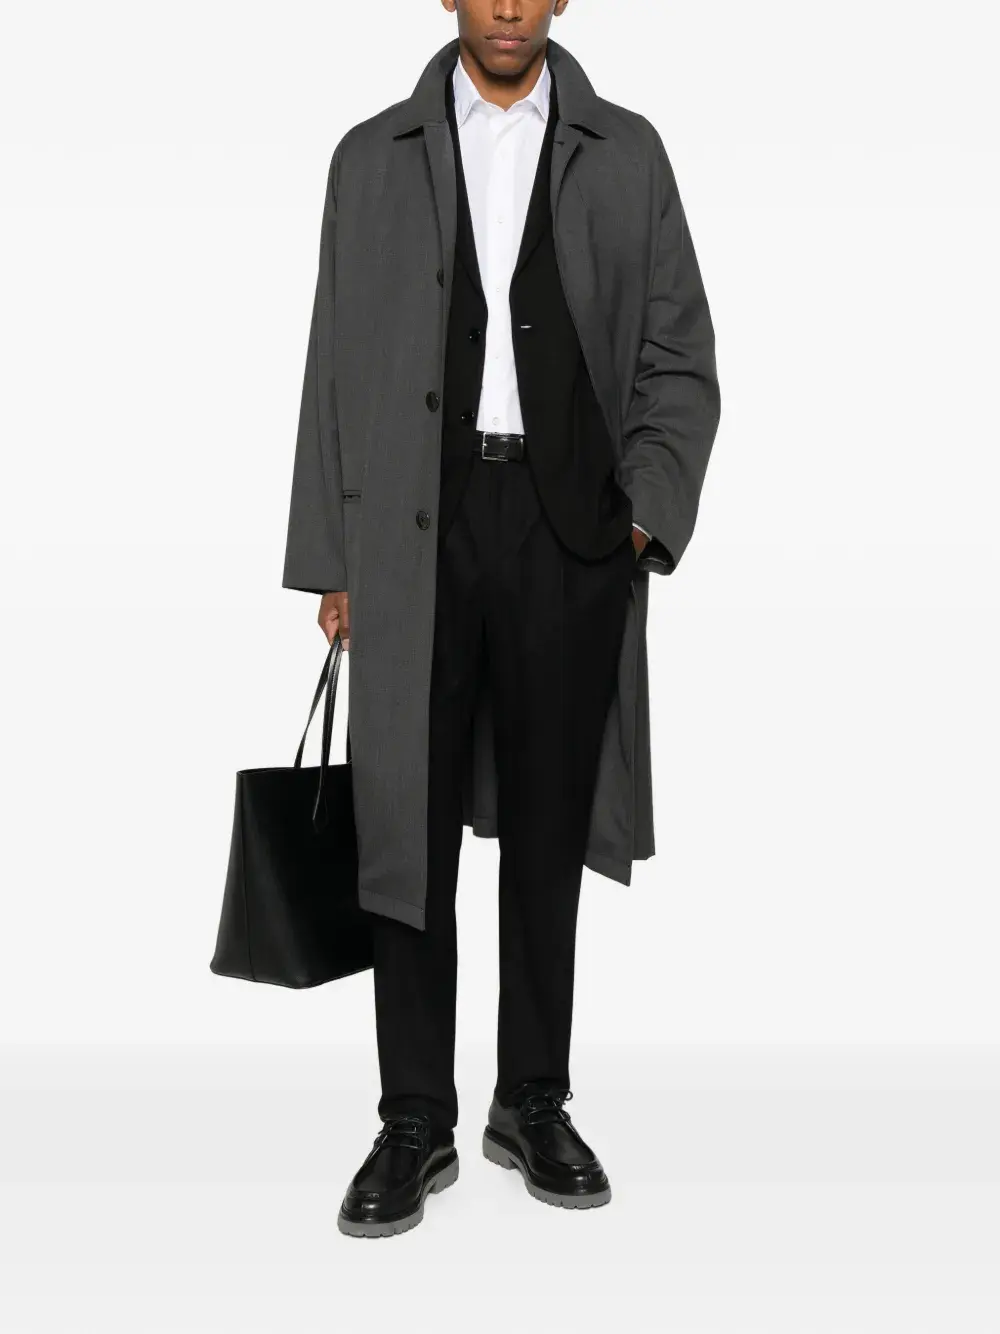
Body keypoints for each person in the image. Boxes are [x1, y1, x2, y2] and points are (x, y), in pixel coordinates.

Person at [282, 0, 720, 1238]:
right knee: (404, 827)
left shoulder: (627, 153)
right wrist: (331, 557)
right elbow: (329, 364)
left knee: (546, 823)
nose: (510, 5)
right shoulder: (370, 158)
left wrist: (637, 523)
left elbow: (679, 357)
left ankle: (531, 1097)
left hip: (569, 533)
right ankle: (413, 1115)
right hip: (410, 532)